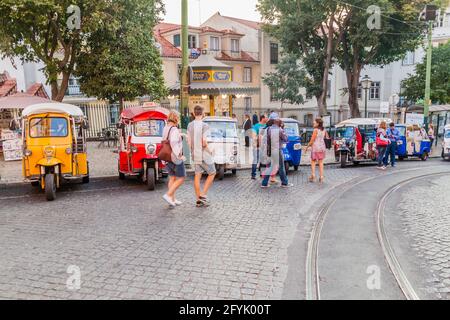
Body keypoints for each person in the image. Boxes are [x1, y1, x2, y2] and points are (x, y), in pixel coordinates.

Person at [187, 105, 216, 207]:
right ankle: (203, 195)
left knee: (197, 175)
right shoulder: (205, 126)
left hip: (195, 154)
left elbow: (189, 142)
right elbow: (204, 142)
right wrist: (210, 151)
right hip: (204, 154)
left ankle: (198, 199)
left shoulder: (189, 125)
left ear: (194, 113)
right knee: (212, 173)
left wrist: (192, 152)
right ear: (203, 113)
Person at [261, 114, 293, 188]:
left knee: (269, 167)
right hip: (277, 150)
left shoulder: (268, 129)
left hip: (269, 150)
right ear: (277, 121)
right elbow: (286, 139)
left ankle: (264, 183)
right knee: (281, 167)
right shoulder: (280, 130)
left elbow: (264, 141)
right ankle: (284, 183)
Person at [162, 112, 186, 207]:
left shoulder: (165, 128)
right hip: (175, 157)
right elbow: (173, 143)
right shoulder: (174, 129)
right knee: (181, 177)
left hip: (166, 157)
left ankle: (172, 199)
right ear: (176, 118)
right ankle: (168, 195)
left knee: (172, 177)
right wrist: (179, 155)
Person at [307, 118, 329, 183]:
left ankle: (313, 175)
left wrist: (307, 146)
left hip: (315, 147)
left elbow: (312, 140)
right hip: (322, 147)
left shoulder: (315, 130)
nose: (313, 123)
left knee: (313, 161)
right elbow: (327, 137)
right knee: (321, 162)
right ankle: (321, 176)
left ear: (317, 123)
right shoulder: (324, 130)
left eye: (314, 122)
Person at [251, 115, 267, 179]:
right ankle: (253, 174)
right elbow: (253, 136)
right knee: (255, 160)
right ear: (262, 118)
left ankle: (262, 173)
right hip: (257, 146)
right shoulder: (256, 126)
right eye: (266, 117)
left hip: (264, 147)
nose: (267, 118)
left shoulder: (266, 126)